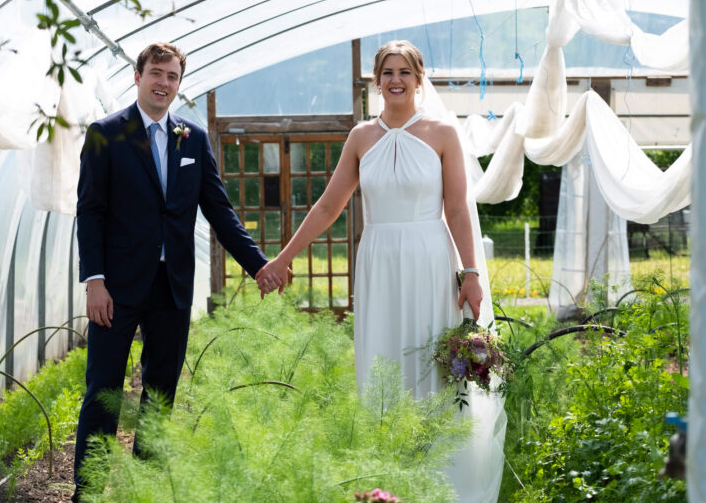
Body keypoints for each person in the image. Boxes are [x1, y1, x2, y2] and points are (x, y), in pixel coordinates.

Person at [259, 40, 505, 501]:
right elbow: (330, 204)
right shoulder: (360, 137)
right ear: (377, 80)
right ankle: (388, 481)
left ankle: (441, 477)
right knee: (382, 363)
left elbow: (456, 207)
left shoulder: (441, 132)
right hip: (378, 261)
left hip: (430, 258)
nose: (396, 80)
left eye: (404, 72)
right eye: (387, 72)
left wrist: (470, 271)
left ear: (418, 78)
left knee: (430, 365)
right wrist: (284, 257)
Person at [73, 43, 285, 501]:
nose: (163, 83)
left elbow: (219, 211)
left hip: (171, 287)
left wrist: (258, 265)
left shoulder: (193, 137)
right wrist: (94, 281)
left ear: (178, 83)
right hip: (115, 288)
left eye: (172, 76)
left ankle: (143, 488)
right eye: (156, 73)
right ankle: (87, 493)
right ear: (137, 76)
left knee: (161, 394)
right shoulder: (105, 134)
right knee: (102, 391)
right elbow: (89, 212)